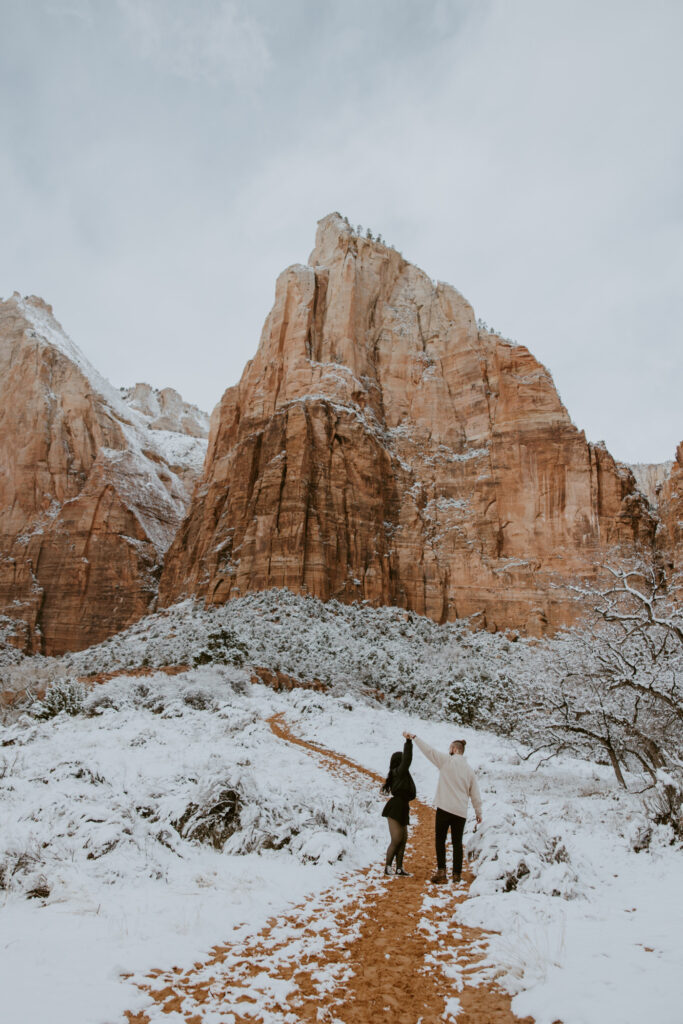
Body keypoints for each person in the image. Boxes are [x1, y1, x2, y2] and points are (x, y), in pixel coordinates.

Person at [404, 731, 482, 884]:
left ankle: (442, 872)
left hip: (445, 808)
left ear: (454, 749)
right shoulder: (469, 770)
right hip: (460, 812)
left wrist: (415, 738)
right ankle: (457, 875)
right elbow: (475, 794)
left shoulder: (446, 761)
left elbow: (429, 751)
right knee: (457, 842)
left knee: (440, 839)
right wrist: (478, 812)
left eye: (450, 748)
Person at [380, 735, 417, 876]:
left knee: (403, 839)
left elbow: (406, 761)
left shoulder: (401, 774)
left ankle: (399, 868)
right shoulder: (399, 772)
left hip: (402, 807)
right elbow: (407, 759)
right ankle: (388, 867)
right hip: (396, 807)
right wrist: (408, 742)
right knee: (396, 839)